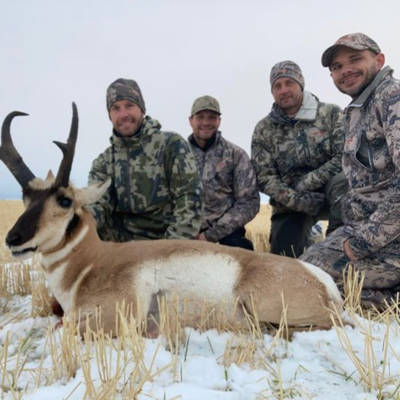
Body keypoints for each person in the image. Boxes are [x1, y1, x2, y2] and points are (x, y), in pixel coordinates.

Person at [300, 33, 400, 309]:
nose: (346, 70)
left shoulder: (392, 97)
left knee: (306, 283)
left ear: (379, 60)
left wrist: (360, 243)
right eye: (337, 66)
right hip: (367, 229)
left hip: (386, 236)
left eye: (355, 59)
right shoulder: (357, 110)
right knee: (302, 275)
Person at [251, 61, 346, 257]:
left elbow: (344, 157)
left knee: (344, 182)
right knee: (286, 259)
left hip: (333, 192)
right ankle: (310, 234)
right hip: (290, 201)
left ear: (301, 84)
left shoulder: (331, 113)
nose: (284, 90)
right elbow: (264, 178)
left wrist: (308, 182)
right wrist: (298, 200)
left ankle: (338, 248)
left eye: (289, 83)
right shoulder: (263, 129)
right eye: (277, 86)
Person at [88, 78, 202, 241]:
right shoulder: (103, 162)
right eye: (116, 108)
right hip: (121, 246)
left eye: (129, 105)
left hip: (168, 242)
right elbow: (98, 206)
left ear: (142, 109)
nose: (123, 114)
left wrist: (169, 248)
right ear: (110, 115)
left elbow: (189, 199)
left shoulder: (171, 145)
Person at [188, 95, 259, 250]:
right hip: (185, 234)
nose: (206, 122)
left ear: (219, 121)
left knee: (242, 253)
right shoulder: (178, 155)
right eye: (200, 117)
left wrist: (210, 235)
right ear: (191, 120)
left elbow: (249, 202)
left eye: (212, 117)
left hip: (226, 234)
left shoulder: (236, 155)